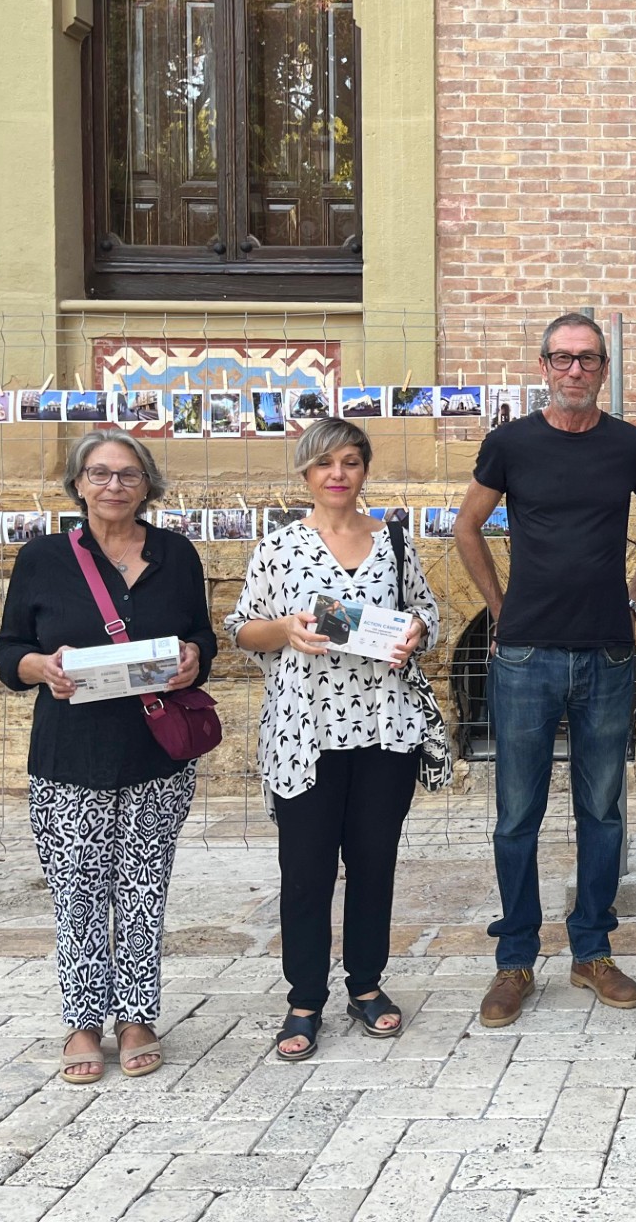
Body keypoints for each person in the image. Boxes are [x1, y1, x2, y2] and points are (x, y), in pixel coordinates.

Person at [454, 312, 636, 1026]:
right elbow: (467, 526)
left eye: (587, 360)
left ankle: (592, 951)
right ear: (544, 367)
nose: (574, 371)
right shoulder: (510, 444)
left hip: (608, 654)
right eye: (562, 359)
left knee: (602, 812)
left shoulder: (631, 446)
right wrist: (498, 607)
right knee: (517, 815)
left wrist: (634, 594)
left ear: (603, 368)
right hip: (524, 656)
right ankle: (515, 960)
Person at [0, 429, 215, 1084]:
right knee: (78, 890)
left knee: (144, 889)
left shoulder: (176, 555)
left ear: (148, 486)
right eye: (99, 474)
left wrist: (196, 658)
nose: (113, 485)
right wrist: (39, 666)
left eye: (127, 474)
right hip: (70, 757)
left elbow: (200, 635)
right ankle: (83, 1021)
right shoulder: (43, 559)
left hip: (156, 754)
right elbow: (9, 652)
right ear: (78, 484)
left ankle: (138, 1015)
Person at [228, 418, 438, 1061]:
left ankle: (368, 985)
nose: (338, 474)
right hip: (306, 730)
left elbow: (425, 614)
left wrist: (415, 635)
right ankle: (304, 998)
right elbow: (242, 629)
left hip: (383, 723)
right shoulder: (280, 548)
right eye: (325, 464)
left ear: (365, 469)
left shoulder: (395, 542)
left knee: (374, 863)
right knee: (307, 869)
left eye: (350, 461)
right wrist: (286, 629)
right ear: (306, 474)